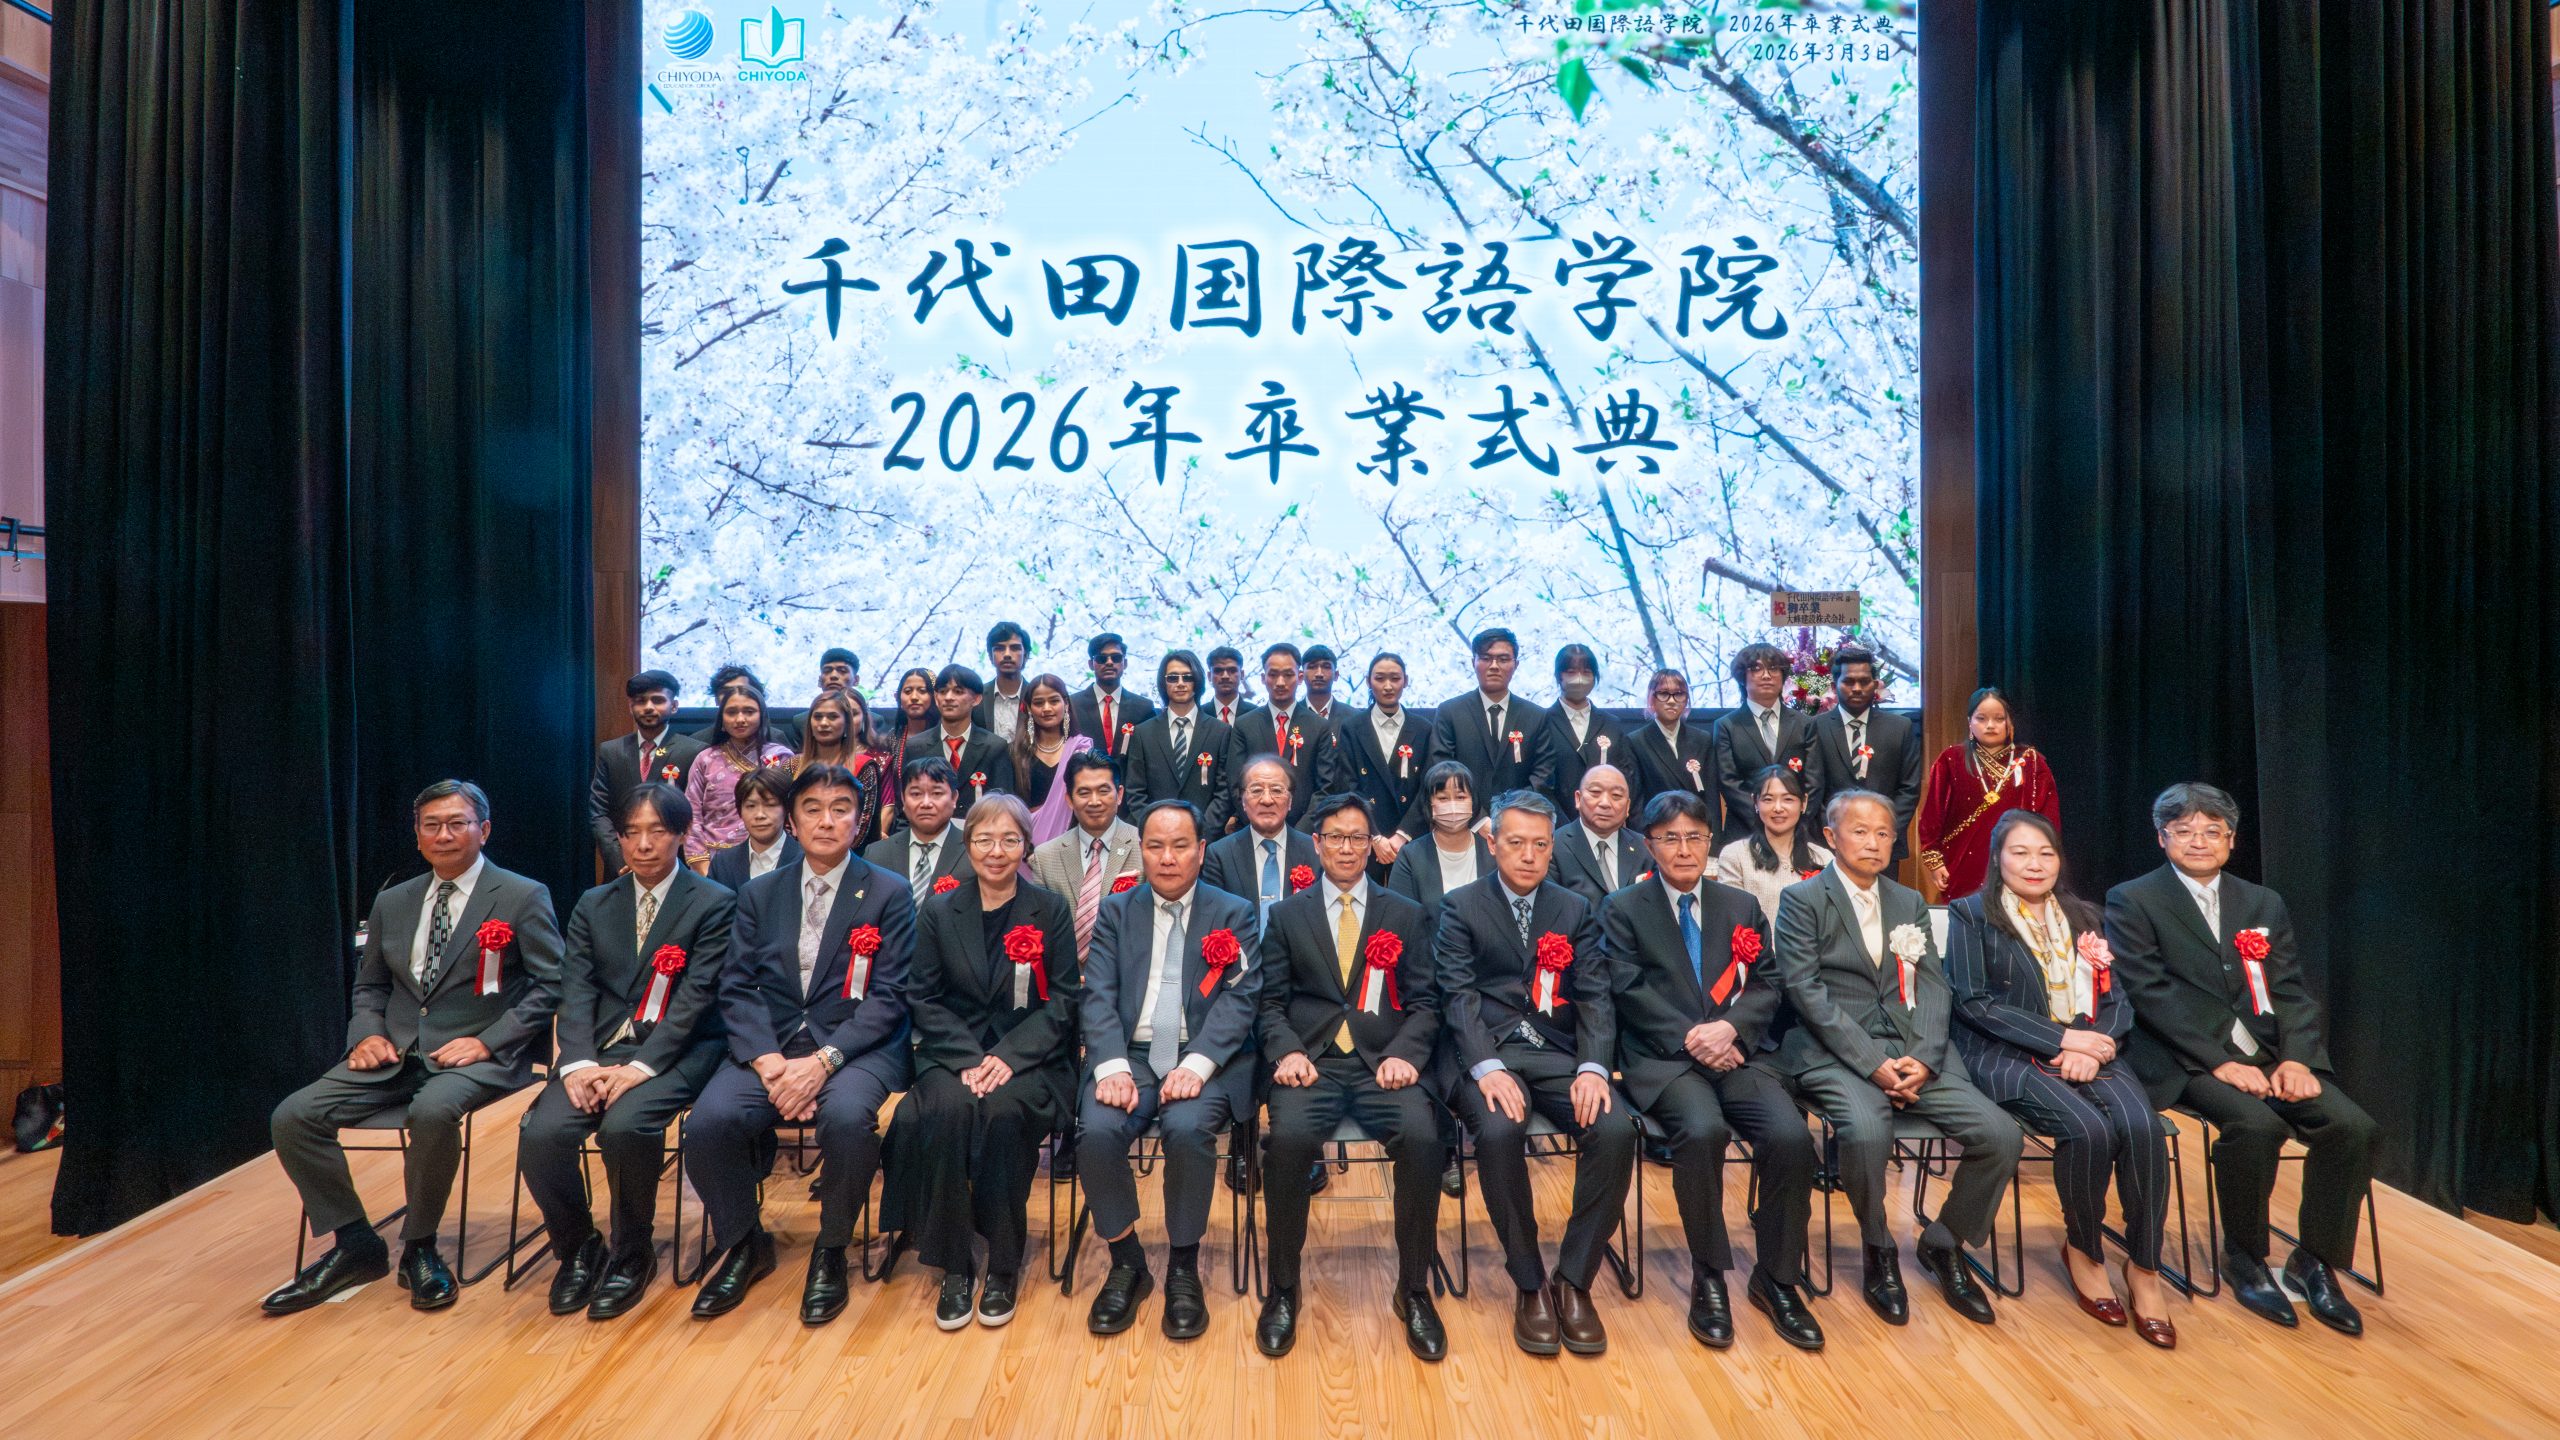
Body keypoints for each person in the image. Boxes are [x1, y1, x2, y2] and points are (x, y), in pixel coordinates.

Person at [261, 781, 564, 1315]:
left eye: (457, 823)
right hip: (395, 1053)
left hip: (478, 1055)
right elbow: (371, 986)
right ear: (417, 835)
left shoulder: (521, 895)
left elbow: (552, 983)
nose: (444, 835)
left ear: (484, 830)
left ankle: (420, 1246)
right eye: (432, 825)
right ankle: (356, 1243)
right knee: (294, 1116)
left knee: (432, 1111)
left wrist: (489, 1041)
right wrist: (367, 1034)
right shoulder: (393, 901)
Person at [2106, 782, 2375, 1336]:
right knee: (2256, 1126)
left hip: (2268, 1053)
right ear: (2162, 838)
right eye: (2184, 830)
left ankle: (2315, 1261)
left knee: (2353, 1127)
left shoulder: (2262, 902)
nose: (2198, 841)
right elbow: (2150, 995)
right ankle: (2246, 1256)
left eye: (2213, 831)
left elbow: (2290, 988)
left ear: (2231, 840)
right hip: (2186, 1057)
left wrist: (2297, 1059)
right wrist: (2218, 1061)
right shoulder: (2133, 899)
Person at [1771, 789, 2021, 1327]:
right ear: (1831, 837)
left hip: (1914, 1052)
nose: (1874, 843)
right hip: (1835, 1052)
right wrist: (1871, 1063)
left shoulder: (1908, 902)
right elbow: (1805, 991)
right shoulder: (1802, 900)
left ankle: (1945, 1240)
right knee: (1865, 1132)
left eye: (1884, 833)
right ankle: (1878, 1246)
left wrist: (1925, 1058)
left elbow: (1933, 985)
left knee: (2001, 1135)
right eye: (1860, 831)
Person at [686, 763, 914, 1326]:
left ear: (859, 822)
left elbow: (891, 994)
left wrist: (823, 1062)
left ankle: (831, 1248)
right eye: (812, 809)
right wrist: (767, 1060)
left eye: (840, 810)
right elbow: (736, 984)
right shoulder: (760, 892)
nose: (826, 821)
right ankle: (744, 1242)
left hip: (856, 1047)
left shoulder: (889, 891)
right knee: (709, 1123)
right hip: (771, 1046)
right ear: (791, 820)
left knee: (847, 1120)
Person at [1946, 810, 2176, 1347]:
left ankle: (2144, 1267)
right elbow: (1974, 1002)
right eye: (2020, 852)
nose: (2035, 864)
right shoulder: (1970, 914)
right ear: (1998, 858)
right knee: (2087, 1129)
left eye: (2045, 853)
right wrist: (2063, 1040)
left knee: (2142, 1128)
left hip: (2091, 1050)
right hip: (2008, 1053)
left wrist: (2098, 1045)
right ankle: (2084, 1250)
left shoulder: (2085, 916)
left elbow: (2116, 998)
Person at [1606, 790, 1823, 1351]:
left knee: (1791, 1136)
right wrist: (1694, 1037)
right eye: (1670, 838)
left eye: (1695, 838)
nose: (1684, 850)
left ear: (1710, 842)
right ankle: (1709, 1275)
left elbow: (1768, 981)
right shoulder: (1623, 908)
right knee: (1702, 1132)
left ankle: (1776, 1277)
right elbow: (1627, 989)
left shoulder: (1739, 906)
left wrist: (1730, 1030)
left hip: (1734, 1054)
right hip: (1665, 1061)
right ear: (1649, 845)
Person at [518, 783, 732, 1321]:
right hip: (597, 1053)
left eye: (657, 831)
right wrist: (578, 1062)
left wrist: (641, 1066)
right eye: (630, 833)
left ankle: (632, 1251)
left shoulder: (713, 903)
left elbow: (696, 999)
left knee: (625, 1127)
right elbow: (576, 988)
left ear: (682, 834)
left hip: (676, 1052)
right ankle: (577, 1247)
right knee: (541, 1133)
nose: (643, 845)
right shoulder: (594, 903)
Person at [1438, 789, 1633, 1358]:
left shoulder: (1573, 909)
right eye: (1517, 843)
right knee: (1500, 1131)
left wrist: (1594, 1067)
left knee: (1615, 1130)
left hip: (1558, 1054)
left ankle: (1574, 1277)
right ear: (1492, 843)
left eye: (1541, 845)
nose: (1529, 855)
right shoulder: (1460, 906)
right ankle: (1528, 1280)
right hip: (1488, 1054)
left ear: (1553, 848)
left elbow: (1594, 995)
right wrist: (1486, 1067)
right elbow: (1457, 996)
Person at [1253, 792, 1447, 1361]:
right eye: (1335, 837)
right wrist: (1287, 1052)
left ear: (1371, 844)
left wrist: (1406, 1054)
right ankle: (1283, 1288)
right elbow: (1269, 1003)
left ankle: (1414, 1288)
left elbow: (1427, 1002)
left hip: (1381, 1066)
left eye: (1357, 837)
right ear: (1316, 844)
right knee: (1287, 1144)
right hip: (1311, 1065)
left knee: (1424, 1140)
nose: (1346, 848)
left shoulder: (1404, 913)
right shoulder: (1287, 916)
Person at [882, 794, 1082, 1330]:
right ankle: (956, 1263)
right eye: (984, 839)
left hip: (1031, 1059)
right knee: (946, 1112)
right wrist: (971, 1058)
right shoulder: (940, 910)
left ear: (1026, 847)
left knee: (1003, 1115)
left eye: (1010, 839)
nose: (997, 851)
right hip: (954, 1054)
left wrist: (1008, 1057)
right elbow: (923, 997)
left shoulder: (1050, 910)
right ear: (967, 845)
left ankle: (1004, 1263)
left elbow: (1064, 1001)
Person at [1075, 800, 1265, 1340]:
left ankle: (1183, 1264)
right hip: (1131, 1056)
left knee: (1186, 1128)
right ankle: (1127, 1261)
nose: (1167, 858)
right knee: (1097, 1131)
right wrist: (1111, 1066)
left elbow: (1242, 998)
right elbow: (1098, 994)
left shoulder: (1232, 912)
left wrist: (1199, 1064)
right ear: (1140, 850)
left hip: (1203, 1055)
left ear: (1201, 851)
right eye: (1155, 846)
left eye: (1180, 846)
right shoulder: (1117, 911)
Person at [1395, 628, 1552, 843]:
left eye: (1503, 659)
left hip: (1519, 831)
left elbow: (1542, 776)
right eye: (1486, 658)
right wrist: (1479, 820)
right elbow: (1440, 769)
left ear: (1516, 664)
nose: (1494, 666)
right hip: (1462, 829)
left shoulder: (1537, 716)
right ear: (1473, 662)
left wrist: (1509, 818)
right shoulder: (1450, 712)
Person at [1916, 685, 2058, 900]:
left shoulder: (2031, 761)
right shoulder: (1951, 760)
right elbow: (1931, 817)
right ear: (1969, 722)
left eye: (1999, 719)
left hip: (2020, 863)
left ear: (2010, 722)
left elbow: (2048, 819)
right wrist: (1934, 862)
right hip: (1961, 864)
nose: (1990, 725)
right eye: (1981, 718)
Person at [1810, 644, 1921, 865]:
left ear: (1876, 684)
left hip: (1883, 846)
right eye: (1849, 682)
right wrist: (1838, 834)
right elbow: (1813, 790)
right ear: (1834, 685)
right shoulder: (1815, 727)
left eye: (1864, 681)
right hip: (1830, 845)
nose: (1857, 688)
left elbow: (1909, 788)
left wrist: (1882, 832)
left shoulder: (1900, 728)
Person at [1029, 751, 1142, 963]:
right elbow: (1042, 927)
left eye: (1103, 791)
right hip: (1067, 975)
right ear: (1069, 799)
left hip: (1128, 971)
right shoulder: (1045, 857)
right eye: (1084, 793)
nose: (1095, 801)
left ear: (1119, 794)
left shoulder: (1144, 847)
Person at [1321, 652, 1430, 871]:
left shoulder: (1424, 728)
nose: (1388, 686)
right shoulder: (1352, 728)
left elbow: (1426, 788)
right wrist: (1375, 836)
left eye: (1395, 679)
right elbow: (1348, 785)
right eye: (1380, 679)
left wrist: (1402, 835)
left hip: (1412, 839)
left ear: (1406, 681)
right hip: (1366, 839)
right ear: (1368, 681)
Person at [589, 669, 705, 875]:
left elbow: (696, 814)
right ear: (630, 707)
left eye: (657, 700)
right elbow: (599, 813)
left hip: (674, 866)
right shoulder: (611, 751)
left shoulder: (694, 751)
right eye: (640, 701)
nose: (649, 707)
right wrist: (621, 859)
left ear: (674, 706)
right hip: (621, 868)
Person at [1709, 644, 1824, 849]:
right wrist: (1765, 820)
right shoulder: (1727, 726)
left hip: (1799, 833)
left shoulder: (1805, 724)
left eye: (1773, 668)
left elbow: (1814, 781)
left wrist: (1792, 821)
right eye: (1756, 669)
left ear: (1783, 675)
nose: (1766, 675)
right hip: (1745, 833)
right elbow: (1729, 782)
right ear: (1742, 677)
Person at [1122, 649, 1240, 836]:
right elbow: (1135, 793)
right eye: (1172, 678)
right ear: (1163, 682)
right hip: (1156, 837)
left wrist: (1200, 834)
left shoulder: (1221, 731)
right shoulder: (1143, 733)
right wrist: (1157, 832)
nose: (1180, 683)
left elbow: (1223, 792)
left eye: (1187, 677)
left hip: (1204, 839)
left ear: (1198, 681)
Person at [684, 683, 795, 870]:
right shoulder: (706, 759)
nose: (740, 719)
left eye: (749, 712)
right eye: (732, 712)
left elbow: (792, 814)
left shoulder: (781, 758)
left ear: (762, 716)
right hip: (713, 861)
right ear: (721, 718)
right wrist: (703, 869)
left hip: (773, 860)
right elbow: (691, 813)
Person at [1714, 765, 1834, 926]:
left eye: (1788, 799)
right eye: (1768, 799)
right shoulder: (1735, 856)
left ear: (1804, 803)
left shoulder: (1823, 858)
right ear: (1755, 802)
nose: (1778, 808)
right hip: (1757, 943)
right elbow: (1734, 920)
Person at [1204, 755, 1319, 921]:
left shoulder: (1314, 851)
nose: (1266, 800)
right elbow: (1214, 919)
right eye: (1256, 790)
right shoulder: (1220, 855)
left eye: (1277, 790)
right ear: (1243, 801)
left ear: (1290, 801)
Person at [1231, 643, 1333, 826]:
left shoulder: (1319, 726)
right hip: (1255, 827)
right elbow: (1236, 785)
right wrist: (1259, 823)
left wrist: (1299, 832)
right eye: (1273, 675)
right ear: (1263, 678)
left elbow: (1325, 788)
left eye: (1288, 675)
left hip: (1304, 831)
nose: (1280, 682)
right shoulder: (1244, 725)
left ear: (1300, 677)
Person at [1533, 643, 1626, 815]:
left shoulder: (1612, 724)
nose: (1579, 679)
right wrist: (1562, 825)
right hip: (1556, 822)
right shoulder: (1542, 722)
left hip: (1607, 819)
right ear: (1559, 676)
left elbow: (1626, 776)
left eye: (1586, 672)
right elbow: (1541, 783)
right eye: (1571, 672)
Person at [864, 758, 971, 905]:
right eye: (916, 794)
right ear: (903, 799)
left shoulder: (972, 852)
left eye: (936, 793)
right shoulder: (877, 854)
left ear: (954, 798)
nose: (926, 803)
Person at [1008, 673, 1091, 844]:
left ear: (1066, 704)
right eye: (1039, 703)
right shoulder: (1014, 752)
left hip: (1075, 842)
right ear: (1029, 708)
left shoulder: (1081, 749)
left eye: (1054, 701)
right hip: (1026, 844)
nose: (1047, 708)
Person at [795, 689, 887, 842]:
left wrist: (825, 848)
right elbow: (785, 821)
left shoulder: (864, 766)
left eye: (833, 717)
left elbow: (861, 827)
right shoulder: (792, 766)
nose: (824, 723)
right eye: (818, 717)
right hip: (799, 852)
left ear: (847, 723)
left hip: (849, 852)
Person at [1548, 762, 1645, 905]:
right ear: (1578, 799)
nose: (1605, 803)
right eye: (1595, 793)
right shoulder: (1554, 847)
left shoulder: (1645, 848)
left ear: (1627, 807)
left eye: (1616, 795)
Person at [1626, 667, 1715, 815]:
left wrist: (1712, 829)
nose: (1672, 701)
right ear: (1652, 698)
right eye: (1663, 694)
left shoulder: (1703, 739)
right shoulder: (1636, 742)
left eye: (1679, 694)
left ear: (1686, 700)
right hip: (1657, 823)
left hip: (1696, 824)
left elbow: (1712, 796)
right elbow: (1636, 801)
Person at [1069, 632, 1157, 773]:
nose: (1109, 662)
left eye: (1116, 658)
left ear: (1125, 663)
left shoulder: (1143, 708)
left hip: (1131, 785)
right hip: (1087, 783)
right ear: (1091, 664)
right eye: (1101, 658)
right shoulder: (1072, 705)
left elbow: (1150, 757)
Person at [929, 664, 1016, 803]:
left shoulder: (995, 747)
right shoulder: (915, 746)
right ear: (935, 697)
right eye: (943, 691)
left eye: (958, 692)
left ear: (976, 699)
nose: (948, 697)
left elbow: (1004, 804)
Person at [708, 765, 801, 888]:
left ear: (786, 809)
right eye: (751, 806)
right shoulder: (723, 863)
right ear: (740, 811)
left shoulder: (804, 859)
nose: (760, 815)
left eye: (770, 805)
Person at [882, 667, 939, 837]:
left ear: (935, 696)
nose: (914, 697)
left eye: (922, 691)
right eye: (907, 691)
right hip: (898, 825)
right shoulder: (893, 738)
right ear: (898, 697)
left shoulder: (944, 736)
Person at [779, 648, 861, 748]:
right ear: (819, 681)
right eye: (827, 671)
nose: (833, 676)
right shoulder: (801, 722)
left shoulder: (874, 721)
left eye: (842, 671)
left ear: (856, 680)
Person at [973, 622, 1033, 742]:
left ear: (1026, 655)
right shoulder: (976, 698)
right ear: (990, 656)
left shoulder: (1035, 696)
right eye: (999, 648)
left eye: (1015, 648)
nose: (1007, 654)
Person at [687, 664, 766, 744]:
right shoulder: (696, 743)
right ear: (716, 699)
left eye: (741, 690)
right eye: (726, 691)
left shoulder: (774, 740)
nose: (734, 695)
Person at [1206, 645, 1253, 725]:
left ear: (1242, 674)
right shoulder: (1198, 715)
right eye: (1218, 671)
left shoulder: (1256, 715)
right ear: (1209, 676)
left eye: (1232, 670)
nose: (1225, 676)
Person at [1299, 644, 1341, 723]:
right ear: (1301, 675)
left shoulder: (1352, 717)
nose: (1319, 674)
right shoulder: (1290, 715)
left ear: (1336, 675)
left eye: (1326, 667)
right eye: (1312, 667)